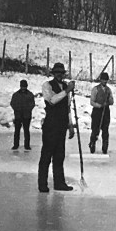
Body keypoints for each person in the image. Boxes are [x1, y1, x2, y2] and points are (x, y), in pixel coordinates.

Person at [38, 63, 76, 193]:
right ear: (53, 74)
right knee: (46, 155)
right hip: (51, 125)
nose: (59, 75)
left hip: (62, 125)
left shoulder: (65, 87)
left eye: (61, 72)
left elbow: (67, 107)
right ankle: (42, 184)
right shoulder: (47, 85)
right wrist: (67, 91)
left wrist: (70, 125)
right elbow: (52, 100)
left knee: (59, 156)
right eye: (57, 72)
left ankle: (59, 183)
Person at [89, 72, 114, 154]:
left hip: (106, 111)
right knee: (95, 129)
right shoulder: (95, 89)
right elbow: (92, 102)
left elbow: (112, 101)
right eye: (103, 80)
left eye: (106, 80)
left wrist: (108, 101)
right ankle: (92, 144)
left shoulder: (108, 90)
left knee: (105, 130)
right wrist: (99, 105)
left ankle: (105, 147)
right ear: (100, 80)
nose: (105, 82)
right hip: (97, 111)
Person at [10, 79, 36, 150]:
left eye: (24, 86)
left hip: (26, 116)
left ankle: (27, 145)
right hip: (18, 116)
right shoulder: (16, 95)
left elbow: (32, 104)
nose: (23, 88)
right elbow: (12, 103)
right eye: (22, 86)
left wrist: (27, 110)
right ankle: (16, 145)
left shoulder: (30, 94)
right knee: (17, 131)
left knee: (26, 131)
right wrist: (17, 110)